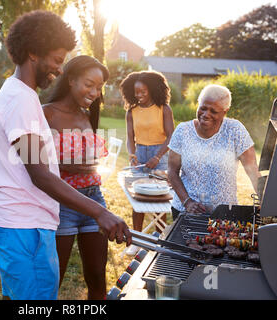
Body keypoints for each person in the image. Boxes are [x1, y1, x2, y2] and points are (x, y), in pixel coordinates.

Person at [0, 10, 131, 300]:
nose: (60, 69)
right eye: (56, 59)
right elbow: (39, 174)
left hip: (23, 225)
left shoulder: (19, 94)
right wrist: (99, 211)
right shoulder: (21, 100)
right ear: (33, 53)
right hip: (23, 226)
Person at [43, 55, 111, 299]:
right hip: (62, 204)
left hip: (94, 198)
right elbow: (33, 165)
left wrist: (95, 162)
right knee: (52, 280)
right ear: (71, 80)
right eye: (89, 84)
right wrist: (67, 165)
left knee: (96, 276)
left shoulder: (86, 115)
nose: (95, 92)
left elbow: (90, 156)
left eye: (99, 87)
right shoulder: (46, 114)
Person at [168, 84, 260, 220]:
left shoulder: (235, 130)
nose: (206, 115)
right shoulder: (183, 131)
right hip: (186, 211)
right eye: (203, 108)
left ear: (225, 111)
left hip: (225, 214)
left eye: (214, 111)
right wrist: (187, 202)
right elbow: (172, 171)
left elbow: (252, 170)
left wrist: (266, 201)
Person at [119, 71, 174, 240]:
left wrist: (157, 156)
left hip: (161, 155)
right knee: (138, 198)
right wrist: (132, 154)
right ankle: (136, 237)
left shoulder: (163, 109)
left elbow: (171, 136)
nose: (139, 95)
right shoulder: (131, 112)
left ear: (151, 89)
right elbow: (130, 138)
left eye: (143, 91)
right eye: (136, 92)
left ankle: (159, 237)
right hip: (140, 154)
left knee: (159, 199)